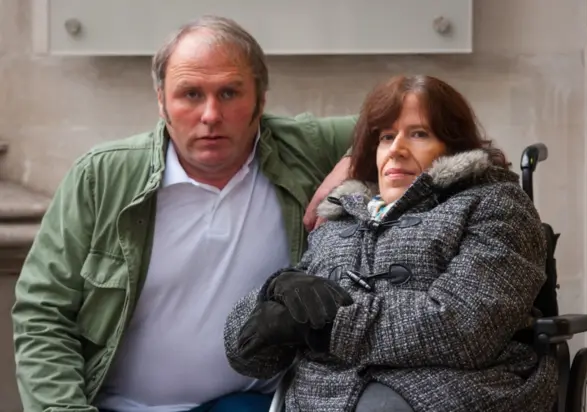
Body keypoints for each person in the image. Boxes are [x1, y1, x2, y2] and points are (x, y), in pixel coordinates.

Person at [11, 15, 355, 412]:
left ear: (260, 100)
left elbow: (424, 115)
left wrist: (352, 161)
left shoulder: (302, 149)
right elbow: (43, 313)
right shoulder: (102, 177)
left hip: (252, 403)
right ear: (161, 101)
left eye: (229, 93)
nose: (210, 115)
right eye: (191, 94)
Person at [224, 75, 559, 412]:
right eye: (386, 137)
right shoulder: (341, 218)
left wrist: (329, 326)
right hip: (327, 392)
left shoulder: (495, 205)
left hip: (451, 386)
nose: (396, 149)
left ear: (453, 147)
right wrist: (274, 295)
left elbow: (466, 326)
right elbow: (250, 358)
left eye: (418, 134)